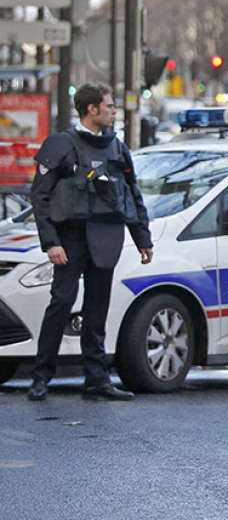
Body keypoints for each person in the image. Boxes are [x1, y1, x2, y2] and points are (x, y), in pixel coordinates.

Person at [26, 84, 154, 402]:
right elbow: (40, 197)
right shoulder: (60, 145)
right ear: (92, 110)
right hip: (70, 238)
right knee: (61, 304)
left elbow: (131, 194)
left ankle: (96, 379)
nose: (114, 111)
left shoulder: (117, 148)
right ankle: (41, 377)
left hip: (106, 236)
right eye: (109, 107)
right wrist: (51, 242)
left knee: (97, 311)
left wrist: (143, 239)